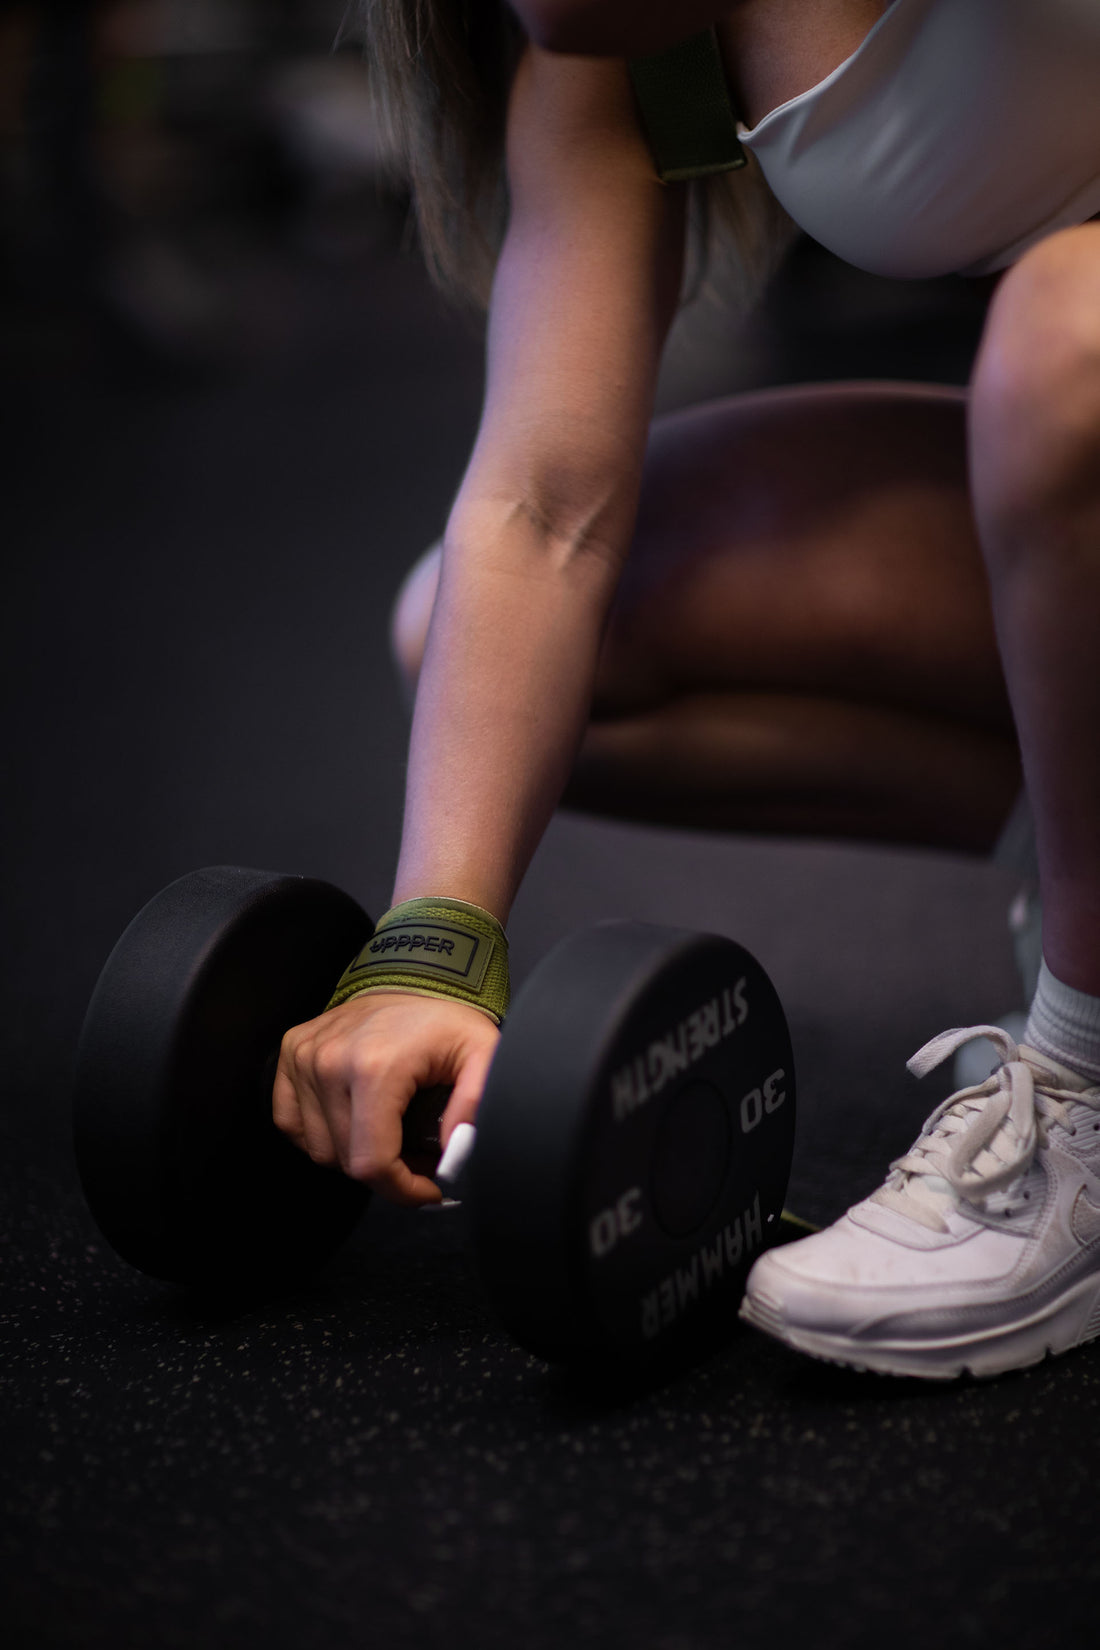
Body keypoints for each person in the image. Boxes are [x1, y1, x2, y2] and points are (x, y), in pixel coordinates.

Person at [273, 0, 1100, 1378]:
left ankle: (1085, 1069)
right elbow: (541, 509)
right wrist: (431, 945)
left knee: (1069, 345)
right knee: (474, 642)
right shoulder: (620, 38)